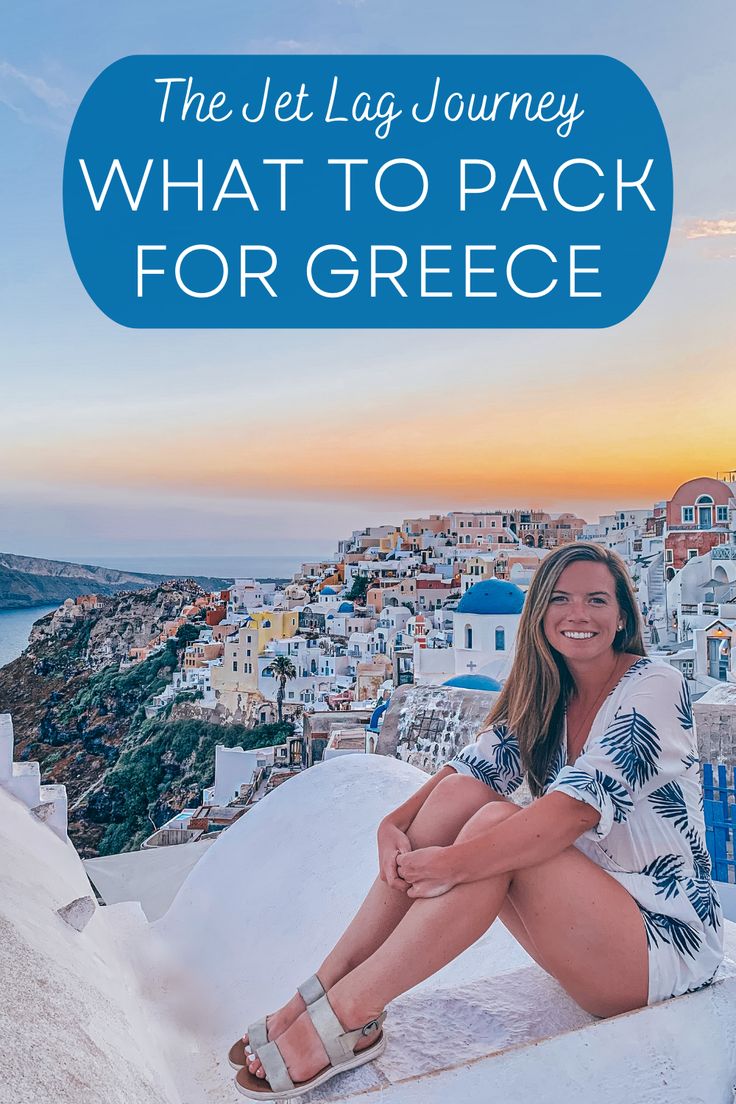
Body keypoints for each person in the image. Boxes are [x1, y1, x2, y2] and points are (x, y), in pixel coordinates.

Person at [231, 543, 723, 1100]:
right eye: (560, 598)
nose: (577, 614)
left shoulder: (654, 685)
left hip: (660, 945)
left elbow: (576, 810)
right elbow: (468, 772)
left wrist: (452, 863)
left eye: (596, 600)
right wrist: (391, 824)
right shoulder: (547, 694)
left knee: (493, 822)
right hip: (587, 924)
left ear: (623, 617)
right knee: (465, 800)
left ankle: (349, 1012)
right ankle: (320, 990)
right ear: (538, 614)